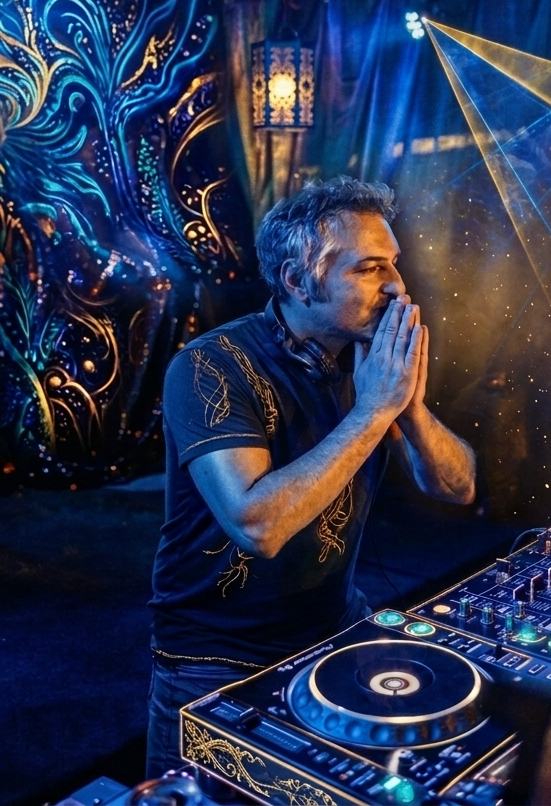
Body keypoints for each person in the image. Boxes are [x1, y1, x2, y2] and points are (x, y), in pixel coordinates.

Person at [146, 177, 476, 777]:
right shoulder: (208, 367)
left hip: (332, 627)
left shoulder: (367, 359)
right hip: (214, 655)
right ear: (298, 280)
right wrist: (373, 411)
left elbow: (457, 488)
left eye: (393, 263)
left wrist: (410, 409)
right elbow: (258, 525)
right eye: (369, 268)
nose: (396, 285)